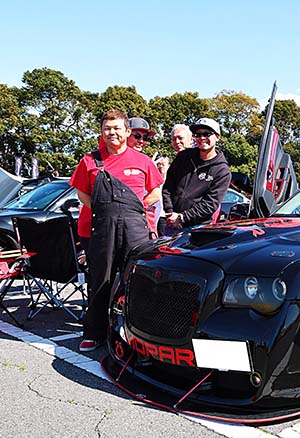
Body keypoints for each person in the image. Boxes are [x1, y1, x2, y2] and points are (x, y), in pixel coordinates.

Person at [69, 109, 163, 352]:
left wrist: (136, 207)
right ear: (102, 132)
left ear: (127, 131)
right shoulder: (90, 161)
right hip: (102, 227)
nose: (112, 133)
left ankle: (142, 336)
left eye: (117, 128)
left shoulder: (142, 161)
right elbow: (82, 194)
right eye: (107, 129)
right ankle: (94, 333)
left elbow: (155, 192)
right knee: (100, 280)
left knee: (138, 281)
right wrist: (104, 209)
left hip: (135, 228)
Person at [162, 117, 231, 232]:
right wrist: (170, 212)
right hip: (171, 223)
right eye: (198, 134)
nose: (202, 138)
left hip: (197, 228)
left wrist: (182, 217)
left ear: (217, 136)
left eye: (207, 134)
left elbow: (210, 204)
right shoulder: (183, 157)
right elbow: (168, 187)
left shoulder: (222, 171)